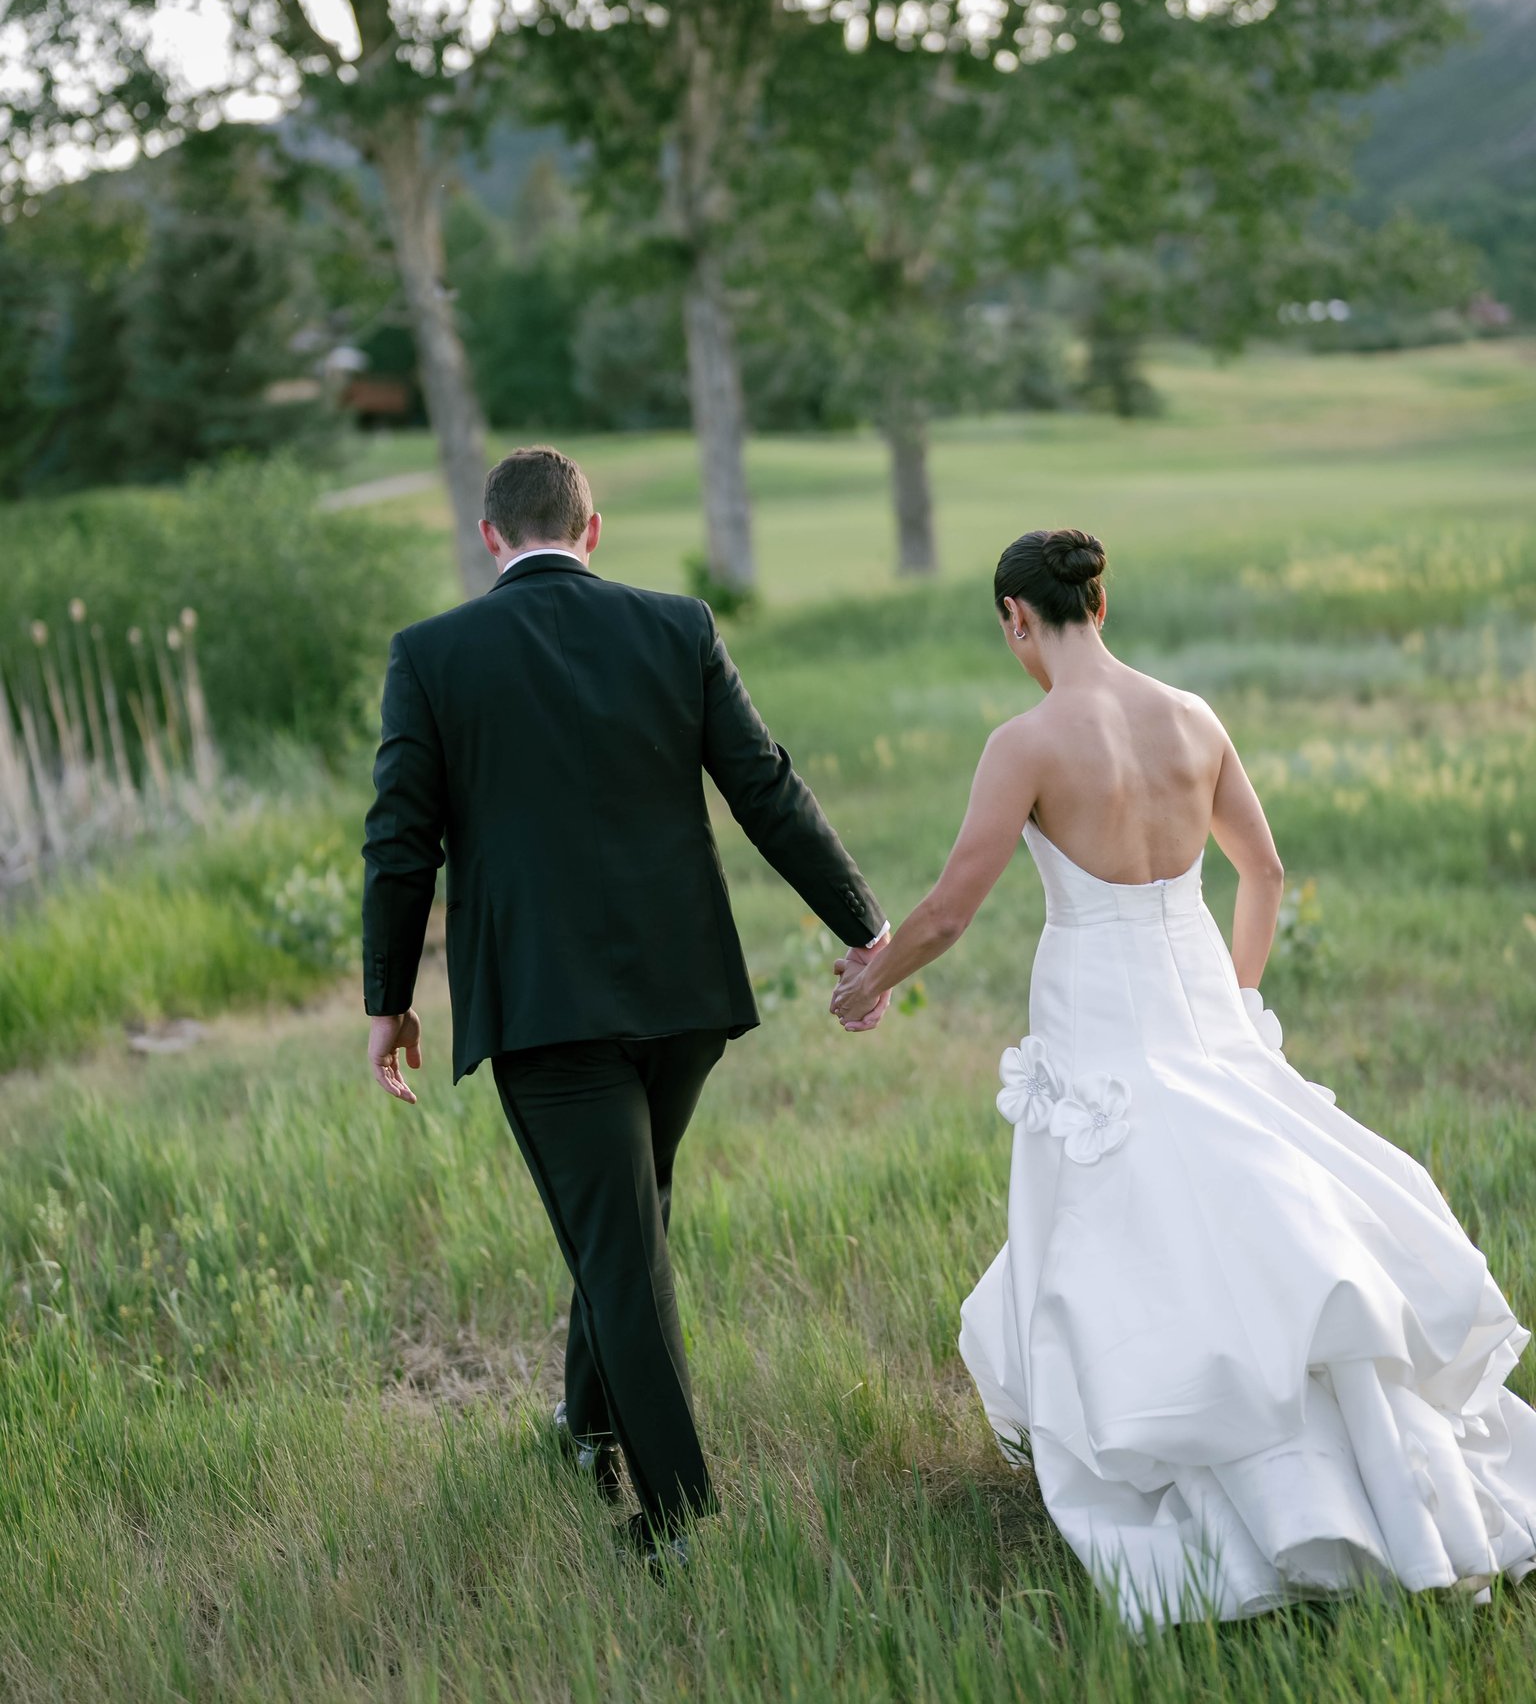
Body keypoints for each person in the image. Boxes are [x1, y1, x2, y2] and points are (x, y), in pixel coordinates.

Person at [829, 526, 1536, 1627]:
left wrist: (871, 977)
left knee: (1125, 1245)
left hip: (1102, 1019)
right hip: (1203, 1005)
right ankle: (1381, 1487)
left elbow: (955, 904)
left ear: (1018, 618)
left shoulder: (1024, 742)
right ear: (1099, 603)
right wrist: (1235, 1010)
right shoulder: (1193, 716)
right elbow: (1265, 868)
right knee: (1256, 1236)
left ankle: (1207, 1491)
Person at [362, 446, 888, 1568]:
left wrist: (386, 999)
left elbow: (401, 841)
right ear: (591, 530)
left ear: (491, 537)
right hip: (685, 991)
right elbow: (768, 789)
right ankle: (585, 1426)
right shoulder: (678, 625)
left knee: (618, 1239)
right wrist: (864, 925)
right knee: (625, 1213)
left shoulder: (432, 654)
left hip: (545, 1005)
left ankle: (678, 1510)